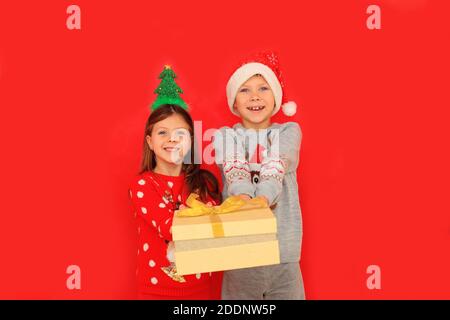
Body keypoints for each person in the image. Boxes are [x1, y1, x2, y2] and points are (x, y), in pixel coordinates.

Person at [213, 52, 305, 300]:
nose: (254, 96)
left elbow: (276, 165)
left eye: (263, 88)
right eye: (245, 90)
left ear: (275, 98)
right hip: (241, 252)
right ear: (234, 103)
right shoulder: (224, 136)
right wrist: (244, 198)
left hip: (283, 253)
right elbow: (236, 173)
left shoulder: (289, 131)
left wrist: (262, 200)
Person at [129, 66, 221, 299]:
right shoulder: (144, 185)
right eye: (162, 133)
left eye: (180, 133)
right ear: (149, 142)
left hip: (199, 290)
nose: (172, 139)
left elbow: (217, 231)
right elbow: (171, 227)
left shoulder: (202, 183)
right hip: (156, 291)